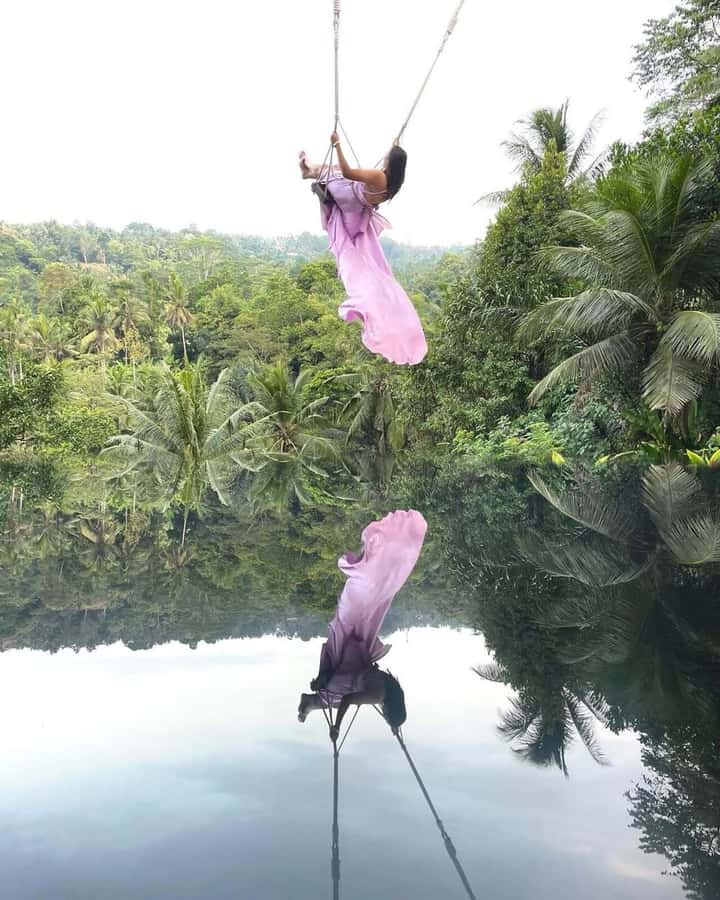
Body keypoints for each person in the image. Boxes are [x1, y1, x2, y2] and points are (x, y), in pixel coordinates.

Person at [298, 137, 428, 366]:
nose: (385, 156)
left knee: (338, 172)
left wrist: (337, 145)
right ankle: (309, 170)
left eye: (389, 155)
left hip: (350, 210)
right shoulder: (392, 180)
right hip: (355, 212)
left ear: (390, 162)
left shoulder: (379, 177)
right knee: (333, 171)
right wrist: (395, 145)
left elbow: (349, 172)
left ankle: (310, 170)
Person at [297, 509, 428, 736]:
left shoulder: (389, 689)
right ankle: (310, 701)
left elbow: (362, 699)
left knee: (334, 692)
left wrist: (394, 727)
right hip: (351, 666)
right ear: (387, 709)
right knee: (336, 696)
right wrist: (337, 726)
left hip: (356, 661)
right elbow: (348, 700)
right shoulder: (377, 696)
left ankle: (311, 699)